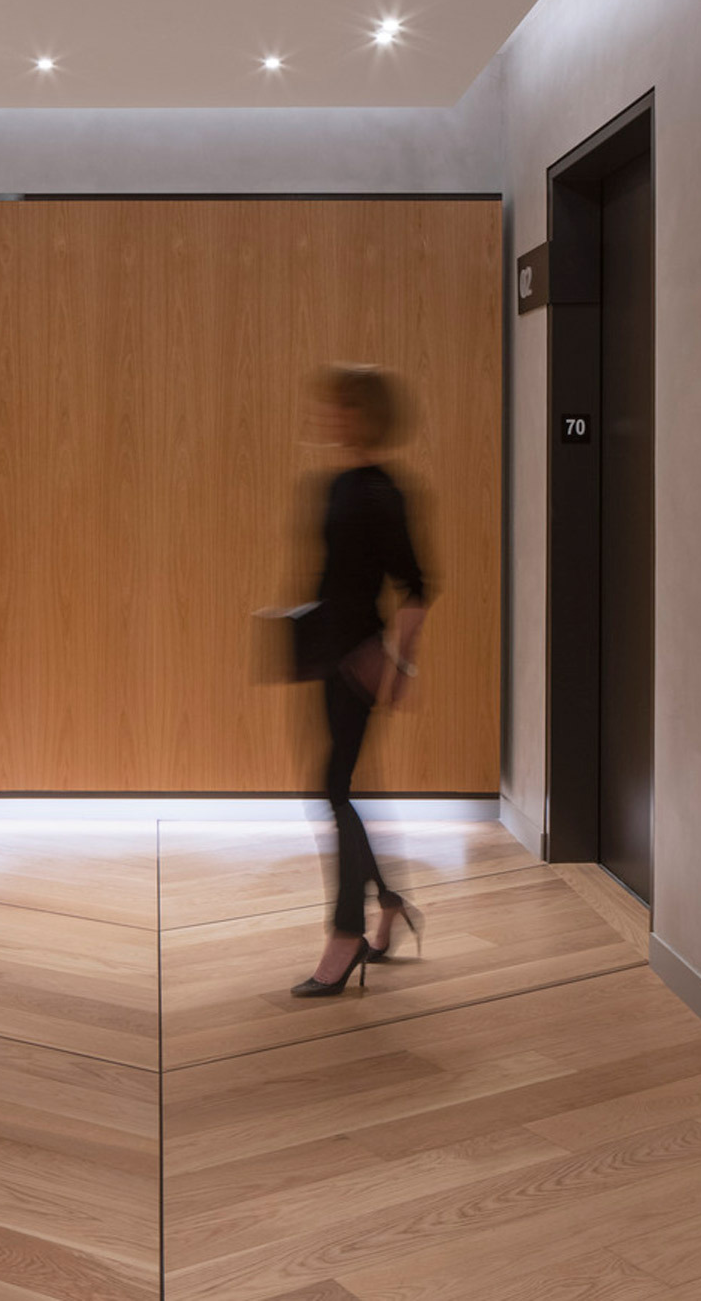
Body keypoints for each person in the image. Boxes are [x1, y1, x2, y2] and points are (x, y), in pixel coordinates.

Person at [291, 365, 432, 998]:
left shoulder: (381, 492)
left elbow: (417, 585)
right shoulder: (337, 483)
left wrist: (398, 664)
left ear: (369, 415)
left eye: (346, 407)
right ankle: (390, 903)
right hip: (328, 655)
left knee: (334, 789)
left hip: (358, 661)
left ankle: (347, 933)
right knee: (337, 790)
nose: (334, 416)